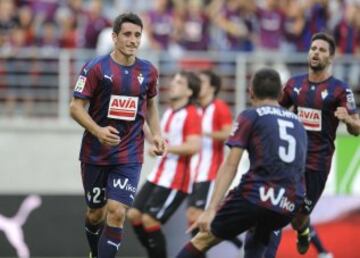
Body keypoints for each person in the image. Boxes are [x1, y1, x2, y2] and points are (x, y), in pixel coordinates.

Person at [176, 67, 308, 258]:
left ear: (251, 91)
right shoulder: (298, 124)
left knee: (202, 240)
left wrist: (211, 209)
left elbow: (231, 164)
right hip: (287, 205)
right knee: (256, 246)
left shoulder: (251, 115)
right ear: (280, 94)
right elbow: (300, 170)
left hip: (255, 197)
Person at [69, 13, 166, 258]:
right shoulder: (95, 68)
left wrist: (157, 134)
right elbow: (75, 107)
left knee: (117, 211)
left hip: (129, 152)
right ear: (114, 37)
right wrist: (98, 131)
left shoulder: (148, 71)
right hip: (95, 153)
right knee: (96, 214)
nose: (133, 40)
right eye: (127, 34)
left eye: (137, 35)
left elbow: (151, 105)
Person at [279, 32, 360, 256]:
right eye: (313, 48)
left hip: (318, 162)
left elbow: (357, 129)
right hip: (291, 158)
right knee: (276, 208)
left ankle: (304, 232)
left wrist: (348, 120)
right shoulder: (293, 84)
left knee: (298, 218)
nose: (316, 52)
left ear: (331, 58)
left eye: (322, 50)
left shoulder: (340, 90)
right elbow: (274, 111)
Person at [126, 70, 202, 258]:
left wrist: (165, 149)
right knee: (134, 214)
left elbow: (194, 146)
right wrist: (139, 117)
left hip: (177, 179)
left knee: (150, 220)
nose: (172, 84)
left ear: (189, 92)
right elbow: (157, 141)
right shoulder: (169, 113)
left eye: (179, 82)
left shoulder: (192, 114)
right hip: (159, 175)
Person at [186, 70, 243, 251]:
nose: (198, 85)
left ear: (212, 87)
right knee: (193, 218)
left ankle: (231, 235)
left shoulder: (219, 107)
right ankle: (232, 236)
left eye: (201, 81)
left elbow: (228, 133)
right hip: (194, 171)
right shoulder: (194, 108)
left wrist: (204, 133)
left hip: (210, 171)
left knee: (196, 216)